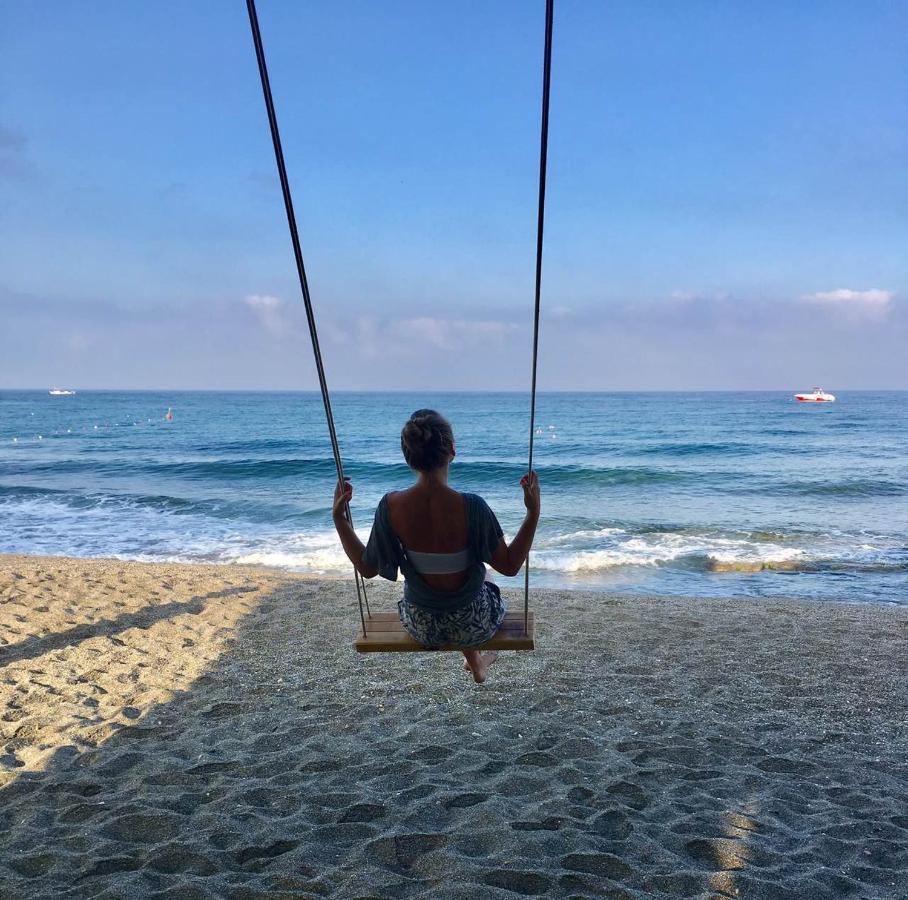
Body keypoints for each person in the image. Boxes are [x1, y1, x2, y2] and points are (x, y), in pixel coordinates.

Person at [332, 409, 540, 683]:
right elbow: (510, 566)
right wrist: (532, 513)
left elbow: (367, 568)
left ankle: (476, 663)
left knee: (459, 586)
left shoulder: (390, 506)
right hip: (473, 625)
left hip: (422, 624)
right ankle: (476, 660)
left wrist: (339, 519)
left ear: (408, 457)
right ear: (452, 450)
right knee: (484, 576)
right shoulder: (473, 506)